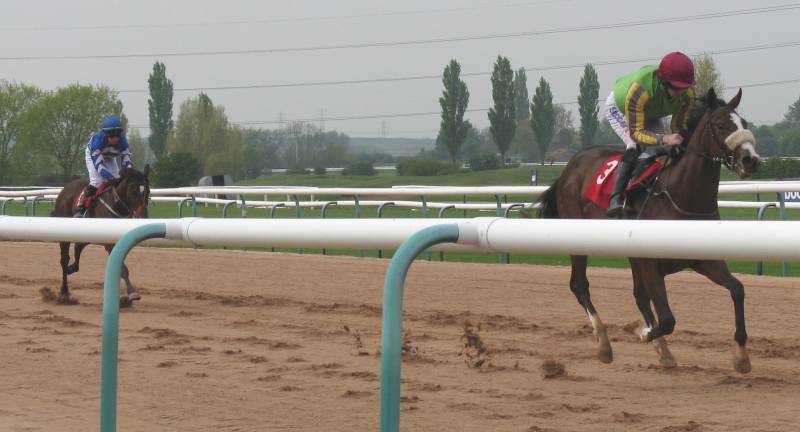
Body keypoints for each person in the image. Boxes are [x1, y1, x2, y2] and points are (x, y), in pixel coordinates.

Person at [604, 51, 696, 217]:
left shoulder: (687, 94)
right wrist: (664, 138)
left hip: (650, 111)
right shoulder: (640, 90)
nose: (681, 92)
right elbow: (636, 133)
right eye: (676, 87)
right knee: (634, 145)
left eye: (684, 87)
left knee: (667, 149)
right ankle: (616, 199)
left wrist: (676, 138)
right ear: (663, 82)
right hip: (621, 107)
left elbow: (678, 125)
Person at [74, 116, 134, 217]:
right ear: (106, 135)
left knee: (118, 180)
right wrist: (110, 177)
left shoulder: (123, 142)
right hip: (93, 155)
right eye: (111, 136)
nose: (115, 139)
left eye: (117, 135)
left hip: (110, 156)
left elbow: (127, 162)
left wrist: (129, 174)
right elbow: (99, 166)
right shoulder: (98, 140)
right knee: (97, 181)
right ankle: (81, 207)